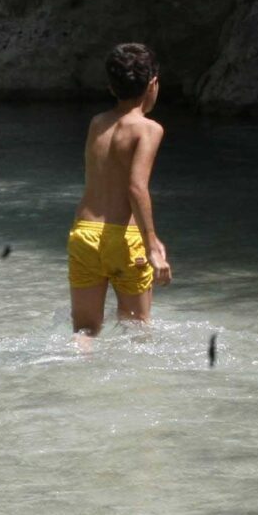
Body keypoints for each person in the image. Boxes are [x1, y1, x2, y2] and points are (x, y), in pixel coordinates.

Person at [68, 42, 174, 338]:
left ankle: (72, 379)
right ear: (153, 84)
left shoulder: (97, 123)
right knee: (138, 331)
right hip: (125, 240)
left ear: (111, 87)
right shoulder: (148, 129)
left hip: (85, 233)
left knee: (85, 332)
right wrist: (152, 245)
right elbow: (136, 188)